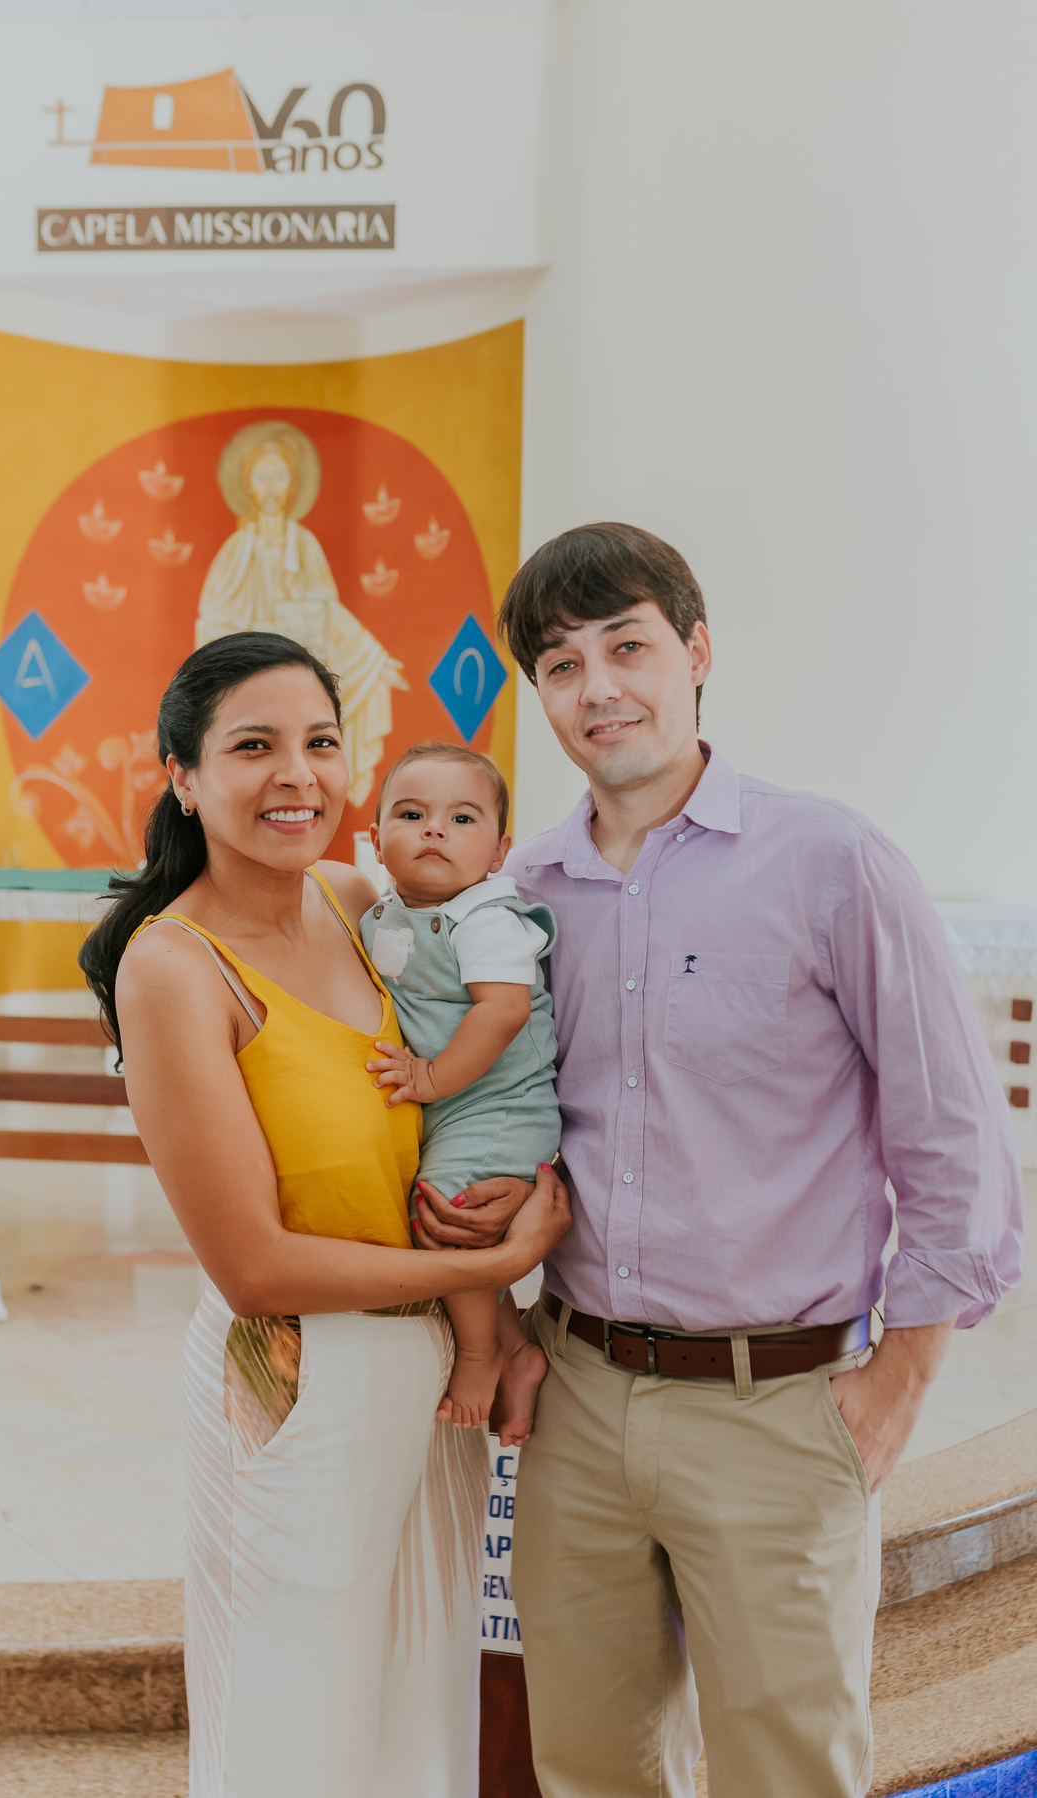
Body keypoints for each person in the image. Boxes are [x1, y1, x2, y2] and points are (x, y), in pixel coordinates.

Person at [413, 522, 1024, 1798]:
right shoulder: (520, 897)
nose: (598, 689)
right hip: (577, 1392)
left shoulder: (830, 861)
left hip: (780, 1406)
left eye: (627, 645)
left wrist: (901, 1376)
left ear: (695, 652)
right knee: (590, 1762)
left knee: (787, 1772)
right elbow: (508, 1106)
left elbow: (953, 1132)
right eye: (563, 665)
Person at [78, 631, 569, 1798]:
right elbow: (252, 1266)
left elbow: (496, 1065)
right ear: (185, 777)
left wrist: (525, 1209)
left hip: (438, 1370)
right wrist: (496, 1259)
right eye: (254, 746)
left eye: (321, 742)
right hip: (305, 1378)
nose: (297, 774)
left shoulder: (360, 901)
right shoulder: (175, 966)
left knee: (419, 1721)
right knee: (295, 1735)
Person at [360, 741, 559, 1445]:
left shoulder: (487, 920)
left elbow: (502, 1012)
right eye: (412, 814)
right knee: (459, 1228)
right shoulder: (381, 914)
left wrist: (429, 1079)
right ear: (376, 839)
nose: (435, 830)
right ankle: (517, 1350)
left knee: (441, 1212)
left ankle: (480, 1353)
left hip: (502, 1104)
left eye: (462, 819)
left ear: (500, 851)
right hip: (456, 1104)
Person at [194, 420, 407, 806]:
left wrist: (372, 657)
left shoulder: (305, 546)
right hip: (247, 687)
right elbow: (211, 621)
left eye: (280, 476)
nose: (271, 486)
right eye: (262, 476)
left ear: (293, 484)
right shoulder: (237, 550)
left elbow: (329, 613)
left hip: (300, 680)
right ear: (247, 486)